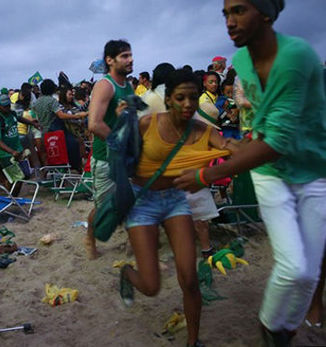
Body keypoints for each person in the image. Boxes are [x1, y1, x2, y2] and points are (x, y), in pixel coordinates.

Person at [175, 1, 326, 344]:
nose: (230, 21)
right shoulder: (242, 60)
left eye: (240, 11)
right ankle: (272, 330)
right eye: (226, 13)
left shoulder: (296, 56)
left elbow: (278, 141)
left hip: (314, 171)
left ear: (266, 14)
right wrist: (245, 142)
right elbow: (265, 128)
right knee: (294, 267)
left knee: (310, 273)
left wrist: (206, 176)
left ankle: (284, 326)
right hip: (271, 172)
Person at [121, 69, 235, 347]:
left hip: (174, 200)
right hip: (143, 201)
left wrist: (251, 147)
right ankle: (126, 273)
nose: (187, 104)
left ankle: (193, 342)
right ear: (168, 99)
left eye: (193, 98)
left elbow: (228, 145)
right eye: (180, 98)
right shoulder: (148, 123)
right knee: (151, 286)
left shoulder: (203, 131)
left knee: (190, 278)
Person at [85, 39, 134, 260]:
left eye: (130, 55)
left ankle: (134, 248)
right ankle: (90, 238)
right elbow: (94, 124)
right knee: (104, 207)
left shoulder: (129, 86)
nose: (130, 59)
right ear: (110, 60)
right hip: (106, 158)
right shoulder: (105, 85)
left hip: (125, 158)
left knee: (131, 202)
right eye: (124, 56)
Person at [0, 94, 40, 195]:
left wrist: (32, 123)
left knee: (26, 174)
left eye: (8, 105)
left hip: (18, 150)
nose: (7, 108)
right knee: (17, 178)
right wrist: (11, 151)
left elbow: (19, 118)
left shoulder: (12, 114)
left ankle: (13, 196)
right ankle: (12, 197)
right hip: (6, 154)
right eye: (4, 106)